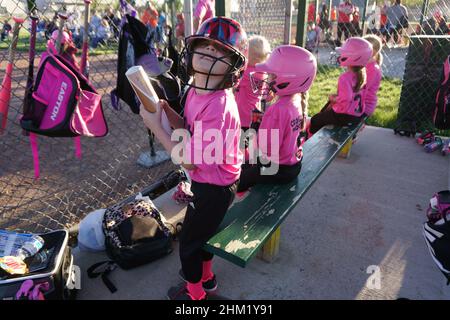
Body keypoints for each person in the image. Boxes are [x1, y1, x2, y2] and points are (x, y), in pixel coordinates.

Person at [139, 17, 248, 300]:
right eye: (205, 46)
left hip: (215, 186)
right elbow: (187, 128)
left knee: (188, 243)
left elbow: (188, 161)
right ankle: (207, 279)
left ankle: (196, 295)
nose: (210, 52)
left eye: (219, 51)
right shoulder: (196, 89)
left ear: (232, 67)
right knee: (202, 236)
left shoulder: (218, 104)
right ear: (192, 49)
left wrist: (155, 126)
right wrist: (164, 111)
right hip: (211, 180)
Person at [236, 45, 317, 193]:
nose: (269, 78)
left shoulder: (277, 109)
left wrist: (255, 130)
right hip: (293, 167)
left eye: (272, 75)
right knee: (245, 166)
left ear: (287, 80)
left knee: (234, 180)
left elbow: (265, 151)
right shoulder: (297, 99)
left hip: (276, 169)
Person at [308, 37, 372, 135]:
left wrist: (334, 99)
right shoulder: (363, 75)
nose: (341, 55)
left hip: (344, 116)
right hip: (358, 116)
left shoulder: (345, 78)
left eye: (343, 53)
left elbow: (346, 99)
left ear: (353, 57)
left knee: (315, 120)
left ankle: (310, 143)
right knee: (326, 111)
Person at [235, 35, 271, 130]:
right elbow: (266, 97)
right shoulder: (263, 73)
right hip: (254, 115)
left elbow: (233, 81)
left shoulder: (247, 73)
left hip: (243, 117)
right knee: (250, 141)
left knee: (241, 142)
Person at [362, 35, 383, 118]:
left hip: (364, 106)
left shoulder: (372, 69)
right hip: (358, 103)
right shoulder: (365, 65)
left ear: (372, 51)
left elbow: (362, 88)